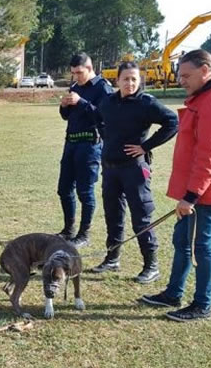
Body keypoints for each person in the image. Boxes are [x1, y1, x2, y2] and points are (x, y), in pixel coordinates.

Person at [140, 49, 211, 322]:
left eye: (187, 75)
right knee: (182, 241)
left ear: (205, 71)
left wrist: (191, 196)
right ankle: (173, 292)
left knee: (201, 245)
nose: (181, 80)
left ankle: (202, 303)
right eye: (180, 75)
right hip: (195, 189)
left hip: (204, 192)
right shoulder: (207, 96)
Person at [91, 62, 178, 284]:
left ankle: (151, 265)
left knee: (141, 217)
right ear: (117, 80)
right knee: (113, 216)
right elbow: (98, 118)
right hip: (110, 170)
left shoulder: (146, 103)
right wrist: (105, 137)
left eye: (134, 79)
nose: (129, 83)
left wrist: (146, 146)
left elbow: (172, 122)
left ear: (139, 81)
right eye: (125, 79)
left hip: (134, 170)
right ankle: (112, 258)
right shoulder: (108, 102)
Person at [57, 53, 111, 248]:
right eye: (73, 73)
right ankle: (68, 230)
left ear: (90, 68)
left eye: (79, 73)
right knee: (64, 189)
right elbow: (67, 116)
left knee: (85, 191)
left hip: (90, 145)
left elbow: (105, 116)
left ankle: (83, 233)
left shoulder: (102, 87)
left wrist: (81, 102)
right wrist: (64, 106)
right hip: (70, 143)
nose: (76, 77)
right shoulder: (75, 87)